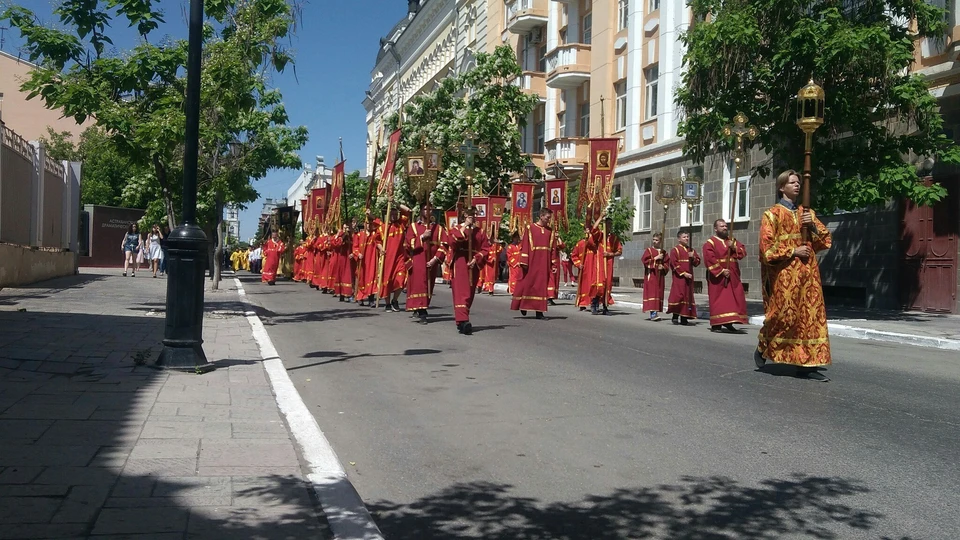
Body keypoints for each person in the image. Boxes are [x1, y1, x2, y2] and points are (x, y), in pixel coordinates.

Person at [756, 170, 833, 381]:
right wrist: (792, 251)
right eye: (792, 182)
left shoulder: (806, 213)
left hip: (808, 274)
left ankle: (806, 365)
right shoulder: (771, 215)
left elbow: (824, 242)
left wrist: (813, 225)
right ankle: (765, 345)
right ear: (782, 187)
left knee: (810, 317)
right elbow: (766, 250)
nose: (797, 185)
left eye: (799, 182)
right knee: (783, 316)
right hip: (785, 275)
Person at [427, 207, 491, 335]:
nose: (473, 217)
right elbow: (452, 243)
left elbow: (486, 249)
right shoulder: (456, 229)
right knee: (462, 293)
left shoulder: (480, 231)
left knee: (470, 293)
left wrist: (476, 258)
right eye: (470, 215)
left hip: (473, 264)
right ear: (465, 215)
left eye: (475, 215)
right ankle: (464, 320)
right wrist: (465, 228)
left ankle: (461, 321)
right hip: (460, 262)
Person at [510, 208, 559, 319]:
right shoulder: (530, 228)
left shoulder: (550, 231)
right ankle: (524, 305)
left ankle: (539, 312)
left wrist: (553, 264)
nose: (548, 220)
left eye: (549, 218)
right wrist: (524, 261)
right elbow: (525, 245)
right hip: (532, 261)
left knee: (541, 286)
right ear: (541, 216)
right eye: (547, 217)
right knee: (528, 284)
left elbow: (553, 249)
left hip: (544, 263)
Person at [703, 219, 748, 333]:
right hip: (718, 276)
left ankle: (729, 322)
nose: (724, 228)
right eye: (721, 226)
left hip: (733, 274)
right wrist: (721, 270)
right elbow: (709, 259)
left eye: (725, 226)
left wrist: (734, 248)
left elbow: (742, 252)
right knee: (719, 299)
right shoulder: (710, 242)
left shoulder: (732, 240)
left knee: (733, 299)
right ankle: (716, 324)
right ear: (715, 229)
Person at [404, 205, 442, 323]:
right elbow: (407, 244)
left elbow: (444, 245)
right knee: (420, 285)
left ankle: (420, 307)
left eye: (430, 209)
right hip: (418, 260)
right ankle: (422, 311)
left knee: (429, 287)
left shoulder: (438, 228)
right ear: (421, 211)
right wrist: (422, 237)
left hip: (432, 262)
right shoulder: (414, 227)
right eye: (425, 209)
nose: (428, 211)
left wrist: (435, 259)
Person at [582, 217, 622, 315]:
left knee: (607, 285)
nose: (609, 226)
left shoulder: (614, 238)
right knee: (599, 284)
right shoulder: (600, 235)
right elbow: (593, 229)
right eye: (607, 224)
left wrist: (610, 254)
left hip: (608, 264)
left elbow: (619, 251)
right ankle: (594, 304)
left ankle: (605, 306)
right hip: (599, 264)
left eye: (610, 224)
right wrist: (600, 217)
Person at [377, 207, 409, 311]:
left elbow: (408, 211)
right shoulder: (383, 227)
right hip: (387, 259)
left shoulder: (401, 224)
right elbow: (377, 242)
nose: (394, 216)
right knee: (386, 282)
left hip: (399, 258)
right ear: (388, 215)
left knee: (400, 280)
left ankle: (395, 300)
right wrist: (381, 249)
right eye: (392, 214)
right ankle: (387, 304)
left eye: (396, 214)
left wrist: (395, 202)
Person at [667, 231, 701, 325]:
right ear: (679, 239)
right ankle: (675, 315)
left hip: (689, 279)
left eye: (687, 237)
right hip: (680, 278)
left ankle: (684, 316)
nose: (686, 238)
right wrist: (683, 273)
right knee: (679, 296)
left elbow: (697, 262)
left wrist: (693, 257)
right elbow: (674, 264)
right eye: (684, 237)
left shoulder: (691, 250)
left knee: (687, 296)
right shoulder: (675, 250)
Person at [353, 215, 382, 305]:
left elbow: (380, 224)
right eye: (367, 223)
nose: (369, 225)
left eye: (370, 223)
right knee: (361, 278)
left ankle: (371, 299)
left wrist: (371, 215)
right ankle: (360, 297)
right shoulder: (359, 235)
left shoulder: (375, 234)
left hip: (372, 260)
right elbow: (355, 247)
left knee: (372, 278)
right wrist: (358, 254)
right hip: (362, 261)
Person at [641, 233, 668, 321]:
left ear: (660, 241)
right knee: (652, 293)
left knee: (658, 293)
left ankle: (656, 311)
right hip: (651, 275)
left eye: (657, 240)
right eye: (654, 240)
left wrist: (663, 267)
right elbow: (645, 261)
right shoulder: (649, 250)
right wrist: (656, 258)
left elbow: (667, 263)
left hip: (660, 276)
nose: (655, 241)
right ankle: (653, 313)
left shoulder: (663, 252)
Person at [329, 223, 355, 301]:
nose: (346, 229)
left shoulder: (351, 235)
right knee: (342, 275)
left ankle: (349, 293)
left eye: (347, 227)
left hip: (349, 257)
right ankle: (342, 293)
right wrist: (339, 235)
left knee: (349, 275)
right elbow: (335, 244)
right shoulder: (341, 236)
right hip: (342, 257)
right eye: (344, 227)